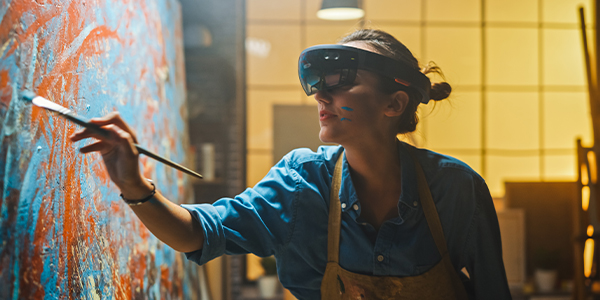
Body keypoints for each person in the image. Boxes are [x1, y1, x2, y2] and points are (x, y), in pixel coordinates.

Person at [69, 29, 511, 299]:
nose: (322, 95)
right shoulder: (302, 182)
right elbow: (196, 234)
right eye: (319, 83)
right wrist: (131, 182)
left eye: (342, 81)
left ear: (394, 103)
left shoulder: (455, 188)